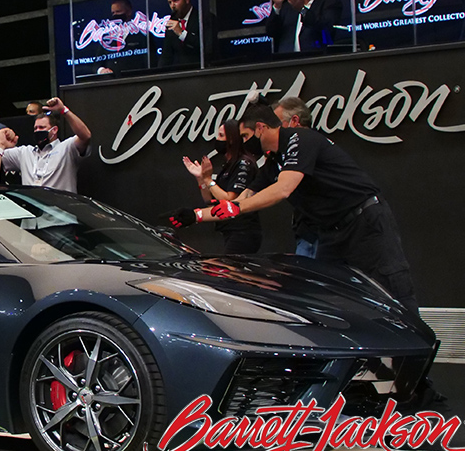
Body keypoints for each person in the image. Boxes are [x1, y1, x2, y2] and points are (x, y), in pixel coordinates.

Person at [177, 103, 419, 315]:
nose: (244, 142)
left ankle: (413, 356)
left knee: (392, 291)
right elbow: (242, 198)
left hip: (365, 222)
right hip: (331, 233)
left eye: (246, 135)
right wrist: (195, 216)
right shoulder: (274, 161)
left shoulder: (301, 140)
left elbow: (283, 189)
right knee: (329, 297)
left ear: (260, 128)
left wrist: (236, 208)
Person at [181, 119, 262, 254]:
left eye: (221, 136)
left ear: (232, 139)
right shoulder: (228, 165)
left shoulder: (243, 164)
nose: (217, 139)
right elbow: (210, 202)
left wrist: (208, 179)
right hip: (227, 230)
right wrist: (201, 179)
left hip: (243, 231)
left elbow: (229, 200)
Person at [0, 97, 91, 192]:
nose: (38, 131)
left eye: (42, 128)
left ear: (54, 130)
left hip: (60, 214)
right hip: (32, 215)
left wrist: (64, 111)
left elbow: (85, 136)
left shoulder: (67, 148)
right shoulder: (24, 153)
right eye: (35, 128)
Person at [273, 96, 320, 258]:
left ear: (294, 120)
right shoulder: (284, 153)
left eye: (278, 124)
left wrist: (239, 207)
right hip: (306, 229)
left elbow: (283, 189)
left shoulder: (305, 141)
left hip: (325, 232)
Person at [265, 0, 343, 53]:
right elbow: (271, 32)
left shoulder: (329, 2)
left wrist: (302, 10)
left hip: (315, 60)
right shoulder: (288, 7)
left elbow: (326, 27)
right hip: (288, 61)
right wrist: (277, 5)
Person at [158, 0, 212, 68]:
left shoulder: (205, 18)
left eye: (176, 1)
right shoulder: (172, 22)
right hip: (180, 74)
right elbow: (166, 56)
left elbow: (208, 47)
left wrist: (181, 33)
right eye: (170, 2)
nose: (173, 6)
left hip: (201, 70)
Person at [96, 0, 148, 76]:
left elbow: (149, 61)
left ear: (129, 12)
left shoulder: (142, 35)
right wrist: (102, 70)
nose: (115, 15)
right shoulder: (107, 37)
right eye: (113, 13)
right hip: (111, 82)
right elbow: (97, 63)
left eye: (118, 11)